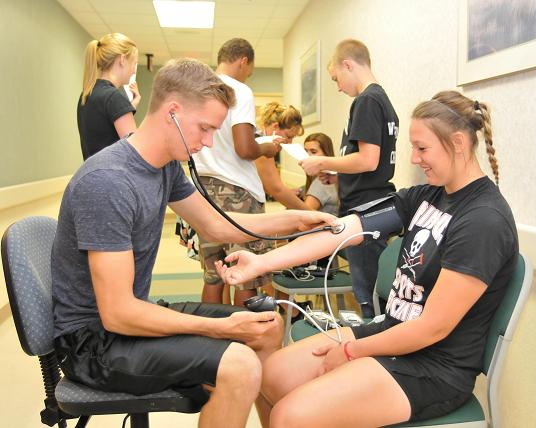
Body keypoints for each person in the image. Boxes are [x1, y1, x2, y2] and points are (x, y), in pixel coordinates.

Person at [51, 58, 336, 428]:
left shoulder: (163, 166)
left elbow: (217, 225)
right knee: (240, 363)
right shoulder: (109, 182)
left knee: (266, 325)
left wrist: (298, 220)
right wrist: (222, 329)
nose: (206, 143)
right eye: (204, 129)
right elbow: (117, 313)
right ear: (172, 112)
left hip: (127, 321)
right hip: (94, 344)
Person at [217, 91, 518, 426]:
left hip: (434, 366)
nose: (415, 159)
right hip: (391, 330)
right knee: (269, 374)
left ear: (459, 143)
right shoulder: (427, 196)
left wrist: (350, 352)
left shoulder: (483, 220)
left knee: (290, 416)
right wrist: (262, 263)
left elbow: (433, 328)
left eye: (422, 148)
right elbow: (343, 229)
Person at [299, 39, 399, 318]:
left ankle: (368, 352)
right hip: (372, 202)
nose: (338, 86)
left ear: (348, 65)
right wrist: (337, 169)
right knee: (370, 291)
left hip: (365, 208)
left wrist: (323, 161)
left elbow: (368, 160)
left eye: (336, 79)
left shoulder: (367, 100)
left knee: (368, 298)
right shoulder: (382, 100)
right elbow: (366, 160)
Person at [192, 38, 281, 306]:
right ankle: (243, 340)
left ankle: (209, 341)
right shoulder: (239, 90)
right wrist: (266, 148)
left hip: (203, 193)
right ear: (243, 61)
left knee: (213, 275)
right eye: (249, 71)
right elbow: (244, 147)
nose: (247, 76)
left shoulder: (197, 90)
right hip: (237, 193)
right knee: (244, 274)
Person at [78, 33, 141, 160]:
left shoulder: (87, 94)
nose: (134, 71)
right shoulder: (114, 97)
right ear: (122, 60)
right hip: (115, 177)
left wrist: (130, 106)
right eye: (134, 63)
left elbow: (104, 129)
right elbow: (135, 152)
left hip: (94, 174)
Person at [255, 102, 309, 210]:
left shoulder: (256, 139)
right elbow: (275, 189)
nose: (289, 142)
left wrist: (287, 192)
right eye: (288, 136)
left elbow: (265, 182)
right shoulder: (264, 143)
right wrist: (312, 213)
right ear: (275, 126)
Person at [302, 133, 339, 215]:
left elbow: (305, 215)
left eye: (313, 152)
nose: (307, 157)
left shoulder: (322, 182)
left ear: (326, 154)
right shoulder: (334, 176)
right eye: (305, 152)